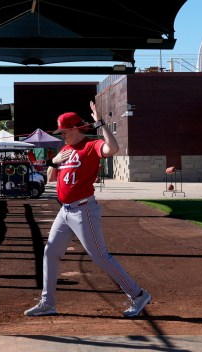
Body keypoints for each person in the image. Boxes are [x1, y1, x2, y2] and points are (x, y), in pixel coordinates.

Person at [24, 101, 152, 318]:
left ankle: (138, 294)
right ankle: (48, 302)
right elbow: (50, 180)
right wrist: (53, 162)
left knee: (100, 256)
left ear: (75, 128)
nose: (61, 135)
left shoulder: (91, 146)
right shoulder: (64, 149)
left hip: (83, 209)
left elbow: (113, 148)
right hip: (64, 211)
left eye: (64, 131)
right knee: (50, 252)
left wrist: (100, 123)